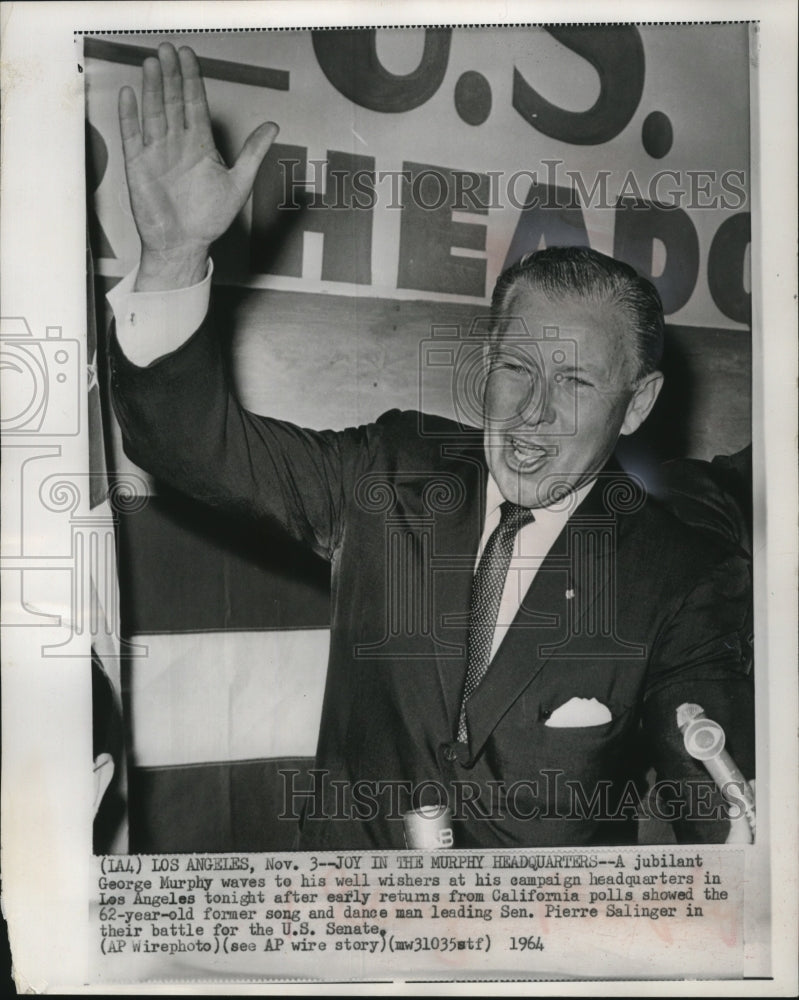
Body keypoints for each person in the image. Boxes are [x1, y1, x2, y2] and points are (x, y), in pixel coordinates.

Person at [108, 43, 754, 850]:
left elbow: (724, 818)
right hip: (346, 940)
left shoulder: (681, 578)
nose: (533, 412)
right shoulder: (388, 469)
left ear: (638, 405)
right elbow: (190, 448)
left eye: (579, 383)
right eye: (515, 367)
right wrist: (173, 261)